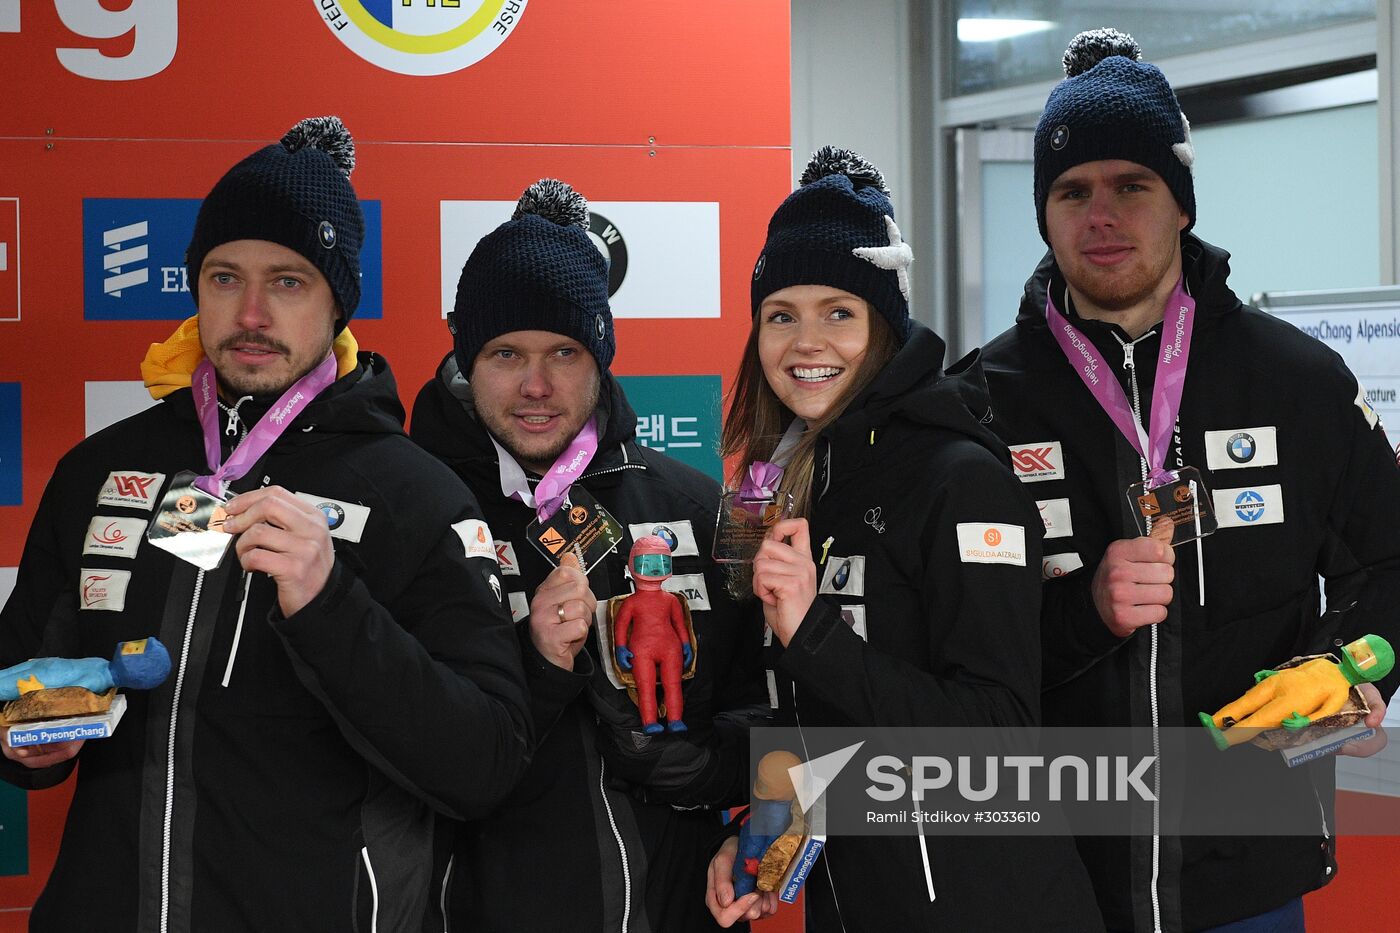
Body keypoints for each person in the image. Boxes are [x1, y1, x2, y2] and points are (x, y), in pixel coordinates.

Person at [0, 116, 532, 932]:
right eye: (224, 277)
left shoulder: (416, 495)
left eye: (288, 281)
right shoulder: (99, 468)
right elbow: (20, 675)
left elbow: (485, 762)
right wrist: (25, 738)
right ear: (195, 288)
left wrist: (330, 601)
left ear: (337, 300)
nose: (251, 311)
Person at [980, 28, 1400, 932]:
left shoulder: (1296, 380)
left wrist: (1352, 663)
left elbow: (1393, 562)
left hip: (1247, 870)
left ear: (1181, 203)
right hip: (1052, 873)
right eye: (1071, 190)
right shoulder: (980, 403)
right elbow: (957, 652)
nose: (1102, 215)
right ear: (1044, 213)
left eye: (1132, 185)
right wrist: (1085, 613)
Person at [704, 147, 1103, 931]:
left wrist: (813, 633)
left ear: (886, 327)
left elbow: (996, 736)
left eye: (839, 313)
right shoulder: (805, 478)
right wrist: (763, 826)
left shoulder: (960, 478)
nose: (806, 342)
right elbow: (842, 721)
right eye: (781, 314)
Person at [409, 178, 768, 933]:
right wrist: (529, 662)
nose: (536, 386)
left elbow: (775, 714)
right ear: (464, 356)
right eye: (506, 353)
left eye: (564, 353)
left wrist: (711, 774)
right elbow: (385, 738)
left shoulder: (697, 507)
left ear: (601, 358)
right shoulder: (413, 505)